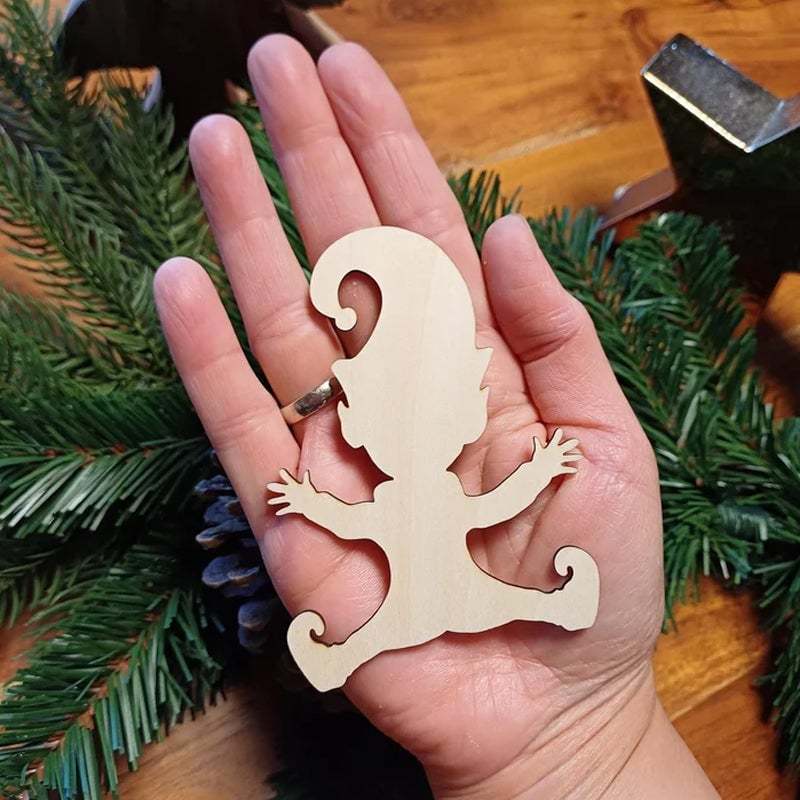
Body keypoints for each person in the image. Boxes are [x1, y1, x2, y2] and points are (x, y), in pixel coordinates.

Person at [153, 34, 719, 800]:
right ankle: (371, 645)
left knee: (487, 603)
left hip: (457, 595)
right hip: (419, 605)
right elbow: (361, 525)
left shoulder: (441, 491)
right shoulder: (394, 496)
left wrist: (543, 472)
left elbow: (487, 508)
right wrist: (309, 501)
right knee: (400, 624)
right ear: (359, 430)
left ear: (465, 414)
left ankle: (545, 605)